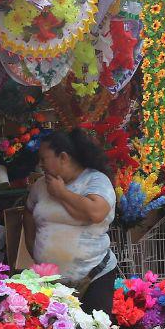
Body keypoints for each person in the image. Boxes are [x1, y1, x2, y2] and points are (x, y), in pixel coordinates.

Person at [23, 128, 117, 314]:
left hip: (93, 276)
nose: (40, 164)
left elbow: (96, 212)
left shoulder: (96, 180)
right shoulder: (40, 185)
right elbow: (28, 211)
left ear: (63, 157)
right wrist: (33, 247)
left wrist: (61, 193)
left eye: (44, 158)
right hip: (50, 282)